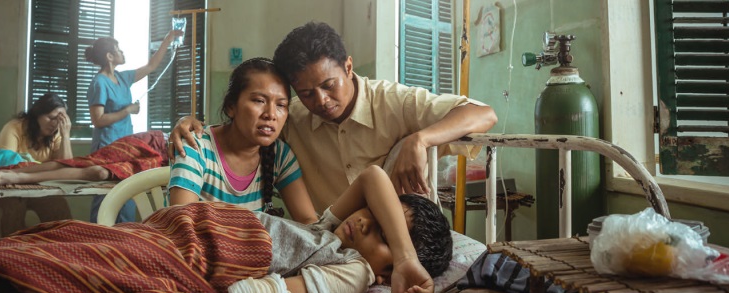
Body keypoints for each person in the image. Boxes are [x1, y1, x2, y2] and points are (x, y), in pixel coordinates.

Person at [0, 167, 450, 293]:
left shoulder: (352, 271)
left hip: (194, 257)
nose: (360, 222)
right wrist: (399, 252)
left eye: (373, 232)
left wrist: (391, 265)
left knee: (7, 274)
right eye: (376, 219)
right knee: (42, 243)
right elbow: (374, 176)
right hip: (175, 232)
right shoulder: (333, 236)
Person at [172, 21, 498, 214]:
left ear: (349, 67)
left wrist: (421, 138)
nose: (322, 101)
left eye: (329, 86)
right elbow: (244, 128)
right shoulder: (291, 117)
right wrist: (190, 124)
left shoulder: (396, 102)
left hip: (402, 235)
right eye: (307, 93)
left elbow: (483, 114)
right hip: (336, 241)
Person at [167, 58, 317, 223]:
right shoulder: (196, 147)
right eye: (259, 101)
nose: (271, 114)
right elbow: (182, 225)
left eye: (281, 105)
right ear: (231, 107)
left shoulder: (279, 155)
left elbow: (308, 220)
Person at [84, 29, 182, 223]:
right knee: (105, 197)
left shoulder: (122, 78)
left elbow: (152, 66)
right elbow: (98, 119)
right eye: (118, 49)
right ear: (109, 56)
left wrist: (167, 39)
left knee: (126, 196)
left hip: (126, 146)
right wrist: (127, 110)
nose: (123, 52)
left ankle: (123, 244)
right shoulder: (99, 83)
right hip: (107, 146)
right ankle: (99, 238)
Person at [0, 93, 75, 236]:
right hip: (8, 186)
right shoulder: (14, 128)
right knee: (14, 205)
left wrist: (65, 136)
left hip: (38, 187)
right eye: (51, 118)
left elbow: (67, 166)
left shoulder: (56, 134)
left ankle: (61, 250)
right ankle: (12, 251)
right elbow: (6, 165)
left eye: (59, 120)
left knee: (57, 203)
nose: (54, 123)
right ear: (37, 114)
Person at [0, 130, 167, 187]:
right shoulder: (16, 127)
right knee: (83, 162)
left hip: (163, 161)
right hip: (155, 144)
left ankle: (11, 175)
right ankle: (10, 174)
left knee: (97, 172)